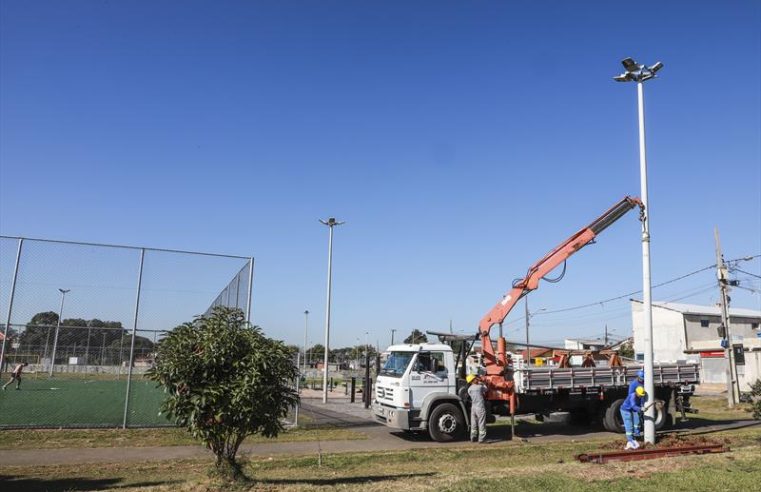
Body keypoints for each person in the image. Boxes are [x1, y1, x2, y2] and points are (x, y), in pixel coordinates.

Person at [466, 374, 488, 443]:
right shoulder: (479, 387)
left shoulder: (469, 389)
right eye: (475, 378)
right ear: (473, 380)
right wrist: (482, 382)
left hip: (473, 407)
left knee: (473, 423)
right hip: (480, 407)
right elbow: (486, 389)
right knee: (481, 423)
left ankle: (473, 437)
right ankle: (482, 439)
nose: (477, 379)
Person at [627, 370, 645, 437]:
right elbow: (630, 395)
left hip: (642, 403)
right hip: (636, 404)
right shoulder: (633, 384)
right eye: (641, 378)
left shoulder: (644, 382)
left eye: (643, 379)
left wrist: (643, 404)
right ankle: (637, 433)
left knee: (642, 419)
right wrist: (635, 406)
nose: (642, 380)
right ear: (638, 377)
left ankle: (641, 431)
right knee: (637, 419)